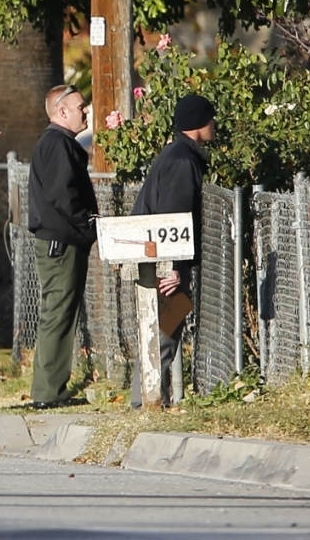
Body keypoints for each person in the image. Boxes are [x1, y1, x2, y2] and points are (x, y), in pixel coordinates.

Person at [130, 93, 216, 409]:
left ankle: (150, 400)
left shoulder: (174, 154)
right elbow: (173, 219)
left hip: (160, 260)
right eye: (210, 119)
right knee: (163, 334)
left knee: (160, 332)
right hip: (166, 265)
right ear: (198, 124)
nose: (214, 125)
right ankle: (146, 404)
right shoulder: (183, 162)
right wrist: (173, 267)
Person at [27, 84, 98, 409]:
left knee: (58, 314)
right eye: (81, 106)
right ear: (62, 111)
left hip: (64, 241)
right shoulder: (56, 144)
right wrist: (86, 223)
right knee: (57, 314)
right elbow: (63, 194)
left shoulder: (60, 143)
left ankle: (49, 388)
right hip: (61, 243)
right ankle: (49, 392)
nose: (86, 111)